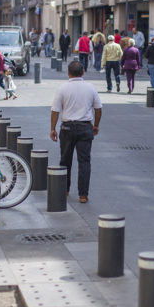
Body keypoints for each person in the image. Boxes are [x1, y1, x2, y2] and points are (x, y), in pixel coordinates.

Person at [49, 61, 102, 204]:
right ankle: (83, 195)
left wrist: (53, 128)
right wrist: (95, 125)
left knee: (65, 160)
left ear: (68, 73)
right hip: (85, 127)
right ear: (83, 72)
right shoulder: (91, 87)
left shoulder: (63, 88)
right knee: (84, 161)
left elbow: (55, 110)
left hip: (67, 128)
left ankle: (65, 190)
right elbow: (98, 109)